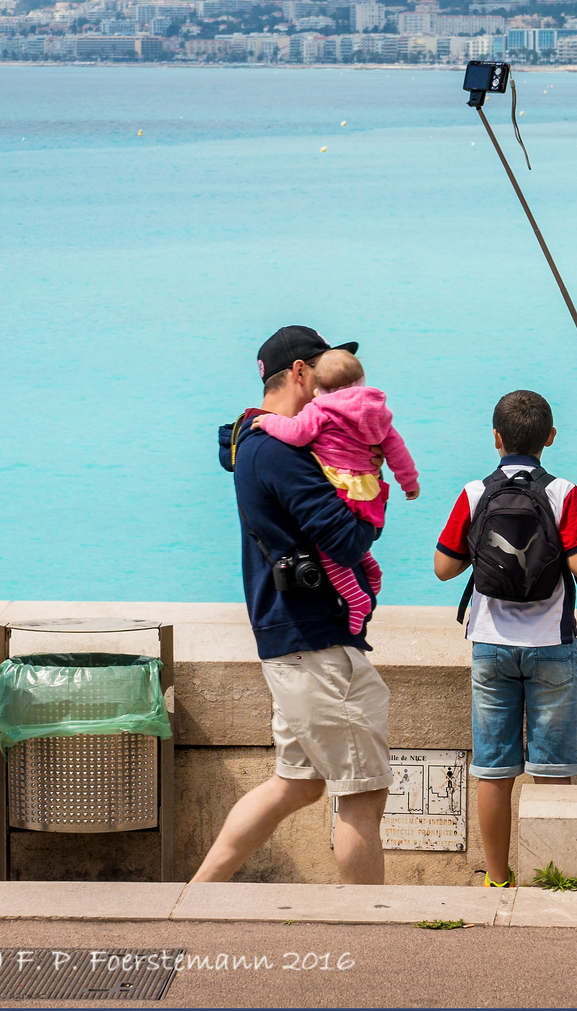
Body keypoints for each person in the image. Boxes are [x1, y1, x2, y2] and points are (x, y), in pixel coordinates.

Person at [192, 325, 392, 884]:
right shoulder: (277, 452)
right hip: (314, 641)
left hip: (295, 638)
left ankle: (199, 895)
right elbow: (348, 539)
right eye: (327, 375)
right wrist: (371, 485)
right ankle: (370, 928)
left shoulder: (255, 443)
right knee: (362, 795)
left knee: (296, 784)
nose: (339, 391)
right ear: (301, 373)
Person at [434, 391, 577, 888]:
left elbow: (444, 569)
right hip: (550, 642)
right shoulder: (564, 491)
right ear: (550, 438)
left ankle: (499, 877)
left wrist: (481, 552)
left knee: (493, 768)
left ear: (496, 438)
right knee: (551, 766)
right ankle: (550, 878)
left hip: (489, 641)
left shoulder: (473, 492)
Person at [252, 347, 420, 635]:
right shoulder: (377, 412)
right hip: (368, 489)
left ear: (317, 386)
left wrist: (268, 421)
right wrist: (409, 482)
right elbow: (396, 450)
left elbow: (297, 434)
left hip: (341, 486)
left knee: (328, 549)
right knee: (358, 533)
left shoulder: (320, 410)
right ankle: (372, 574)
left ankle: (357, 600)